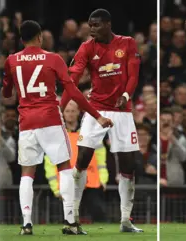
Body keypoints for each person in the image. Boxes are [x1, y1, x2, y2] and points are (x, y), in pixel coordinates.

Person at [2, 20, 113, 235]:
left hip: (26, 122)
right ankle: (70, 221)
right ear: (40, 36)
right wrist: (97, 116)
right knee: (64, 167)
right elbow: (72, 90)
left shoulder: (12, 60)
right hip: (50, 119)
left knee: (27, 173)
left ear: (21, 38)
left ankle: (26, 223)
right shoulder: (53, 59)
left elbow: (7, 94)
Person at [59, 8, 142, 233]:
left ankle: (125, 219)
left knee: (128, 166)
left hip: (123, 111)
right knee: (83, 158)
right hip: (96, 109)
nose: (91, 29)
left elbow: (133, 75)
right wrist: (60, 107)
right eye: (90, 25)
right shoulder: (87, 47)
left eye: (96, 25)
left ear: (107, 24)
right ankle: (73, 216)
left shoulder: (127, 43)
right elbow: (72, 79)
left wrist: (126, 96)